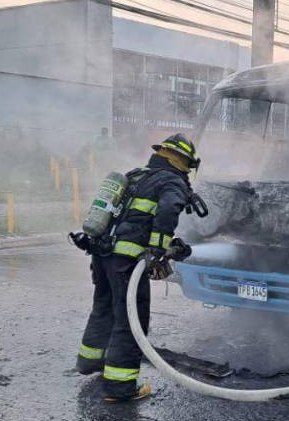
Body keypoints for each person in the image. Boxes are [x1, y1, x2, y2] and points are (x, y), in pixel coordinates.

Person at [74, 134, 199, 403]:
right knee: (131, 321)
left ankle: (90, 361)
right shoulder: (171, 180)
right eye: (187, 163)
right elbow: (167, 210)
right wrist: (158, 249)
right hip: (128, 261)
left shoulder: (134, 175)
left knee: (104, 307)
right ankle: (120, 388)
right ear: (181, 159)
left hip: (102, 253)